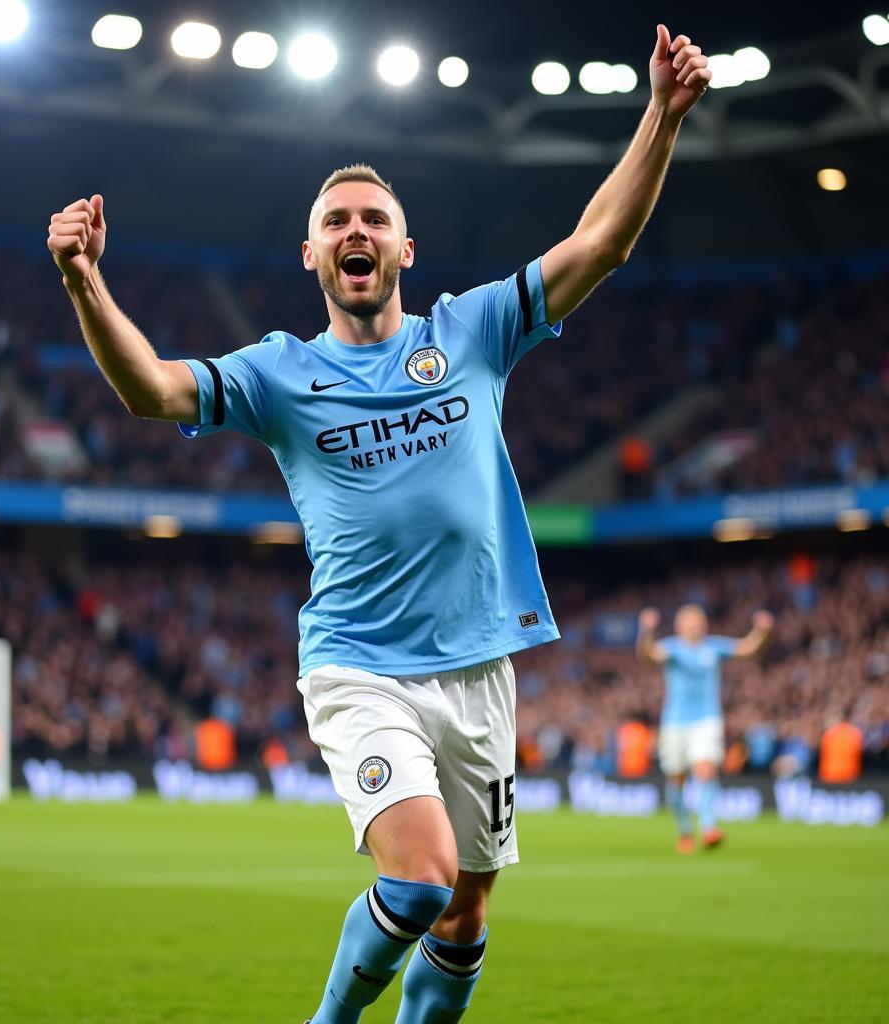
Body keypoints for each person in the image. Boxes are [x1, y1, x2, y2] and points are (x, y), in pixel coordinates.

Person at [47, 24, 711, 1024]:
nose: (354, 230)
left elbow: (602, 243)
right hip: (361, 663)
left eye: (373, 217)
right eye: (335, 220)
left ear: (404, 247)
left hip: (480, 663)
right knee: (419, 881)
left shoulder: (472, 329)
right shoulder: (279, 371)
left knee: (469, 908)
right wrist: (84, 282)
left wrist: (659, 116)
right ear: (311, 251)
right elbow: (150, 390)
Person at [637, 604, 773, 853]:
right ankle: (685, 830)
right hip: (675, 723)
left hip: (707, 719)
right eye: (690, 622)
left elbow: (747, 649)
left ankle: (709, 826)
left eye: (699, 621)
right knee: (676, 780)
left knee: (706, 768)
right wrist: (645, 632)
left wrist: (762, 631)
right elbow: (648, 656)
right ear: (680, 626)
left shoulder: (713, 647)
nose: (695, 626)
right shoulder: (672, 648)